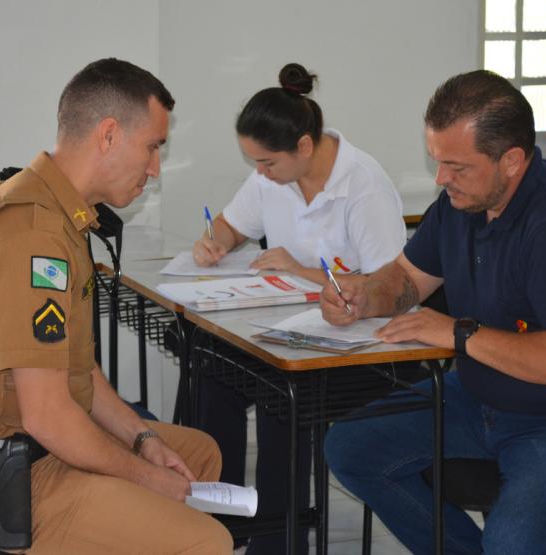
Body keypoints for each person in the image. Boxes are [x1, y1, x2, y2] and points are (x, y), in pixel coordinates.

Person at [321, 70, 546, 554]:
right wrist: (364, 295)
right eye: (437, 162)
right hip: (485, 398)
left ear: (511, 161)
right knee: (350, 447)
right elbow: (405, 280)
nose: (441, 179)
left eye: (457, 167)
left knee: (515, 542)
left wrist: (459, 334)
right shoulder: (460, 203)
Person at [0, 58, 231, 554]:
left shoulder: (55, 214)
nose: (156, 169)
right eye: (153, 147)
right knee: (208, 543)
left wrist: (143, 441)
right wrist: (144, 476)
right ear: (109, 134)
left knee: (196, 454)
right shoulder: (33, 233)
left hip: (30, 451)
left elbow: (79, 370)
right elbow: (48, 414)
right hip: (4, 482)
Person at [192, 63, 409, 554]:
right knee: (210, 371)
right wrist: (215, 243)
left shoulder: (363, 187)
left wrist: (301, 271)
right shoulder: (273, 176)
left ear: (305, 147)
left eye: (267, 163)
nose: (259, 173)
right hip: (293, 330)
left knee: (277, 394)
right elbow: (229, 224)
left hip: (362, 347)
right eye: (254, 163)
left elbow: (391, 288)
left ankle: (278, 541)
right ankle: (220, 521)